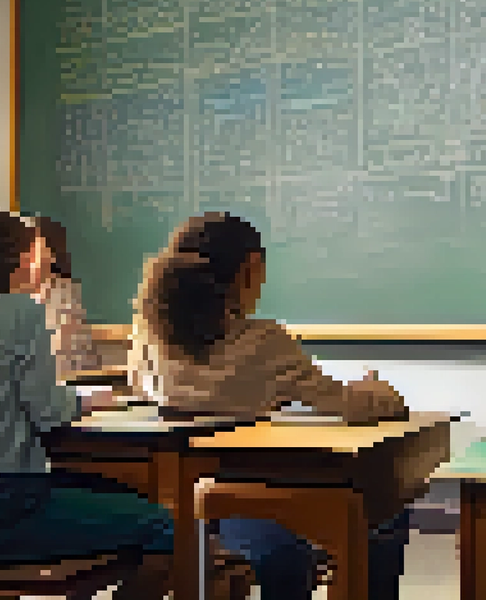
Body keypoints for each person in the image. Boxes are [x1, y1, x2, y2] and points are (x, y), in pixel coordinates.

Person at [132, 212, 410, 600]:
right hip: (252, 498)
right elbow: (354, 405)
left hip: (174, 501)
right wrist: (379, 387)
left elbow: (143, 392)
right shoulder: (264, 342)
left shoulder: (150, 341)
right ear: (250, 269)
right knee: (389, 502)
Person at [0, 208, 172, 598]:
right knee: (164, 525)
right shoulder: (22, 312)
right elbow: (48, 411)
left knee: (94, 492)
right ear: (14, 260)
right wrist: (87, 401)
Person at [26, 216, 97, 376]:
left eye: (32, 247)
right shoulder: (13, 293)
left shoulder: (64, 293)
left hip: (66, 381)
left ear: (51, 254)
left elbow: (58, 354)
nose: (24, 257)